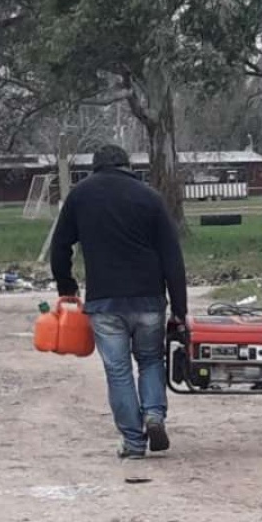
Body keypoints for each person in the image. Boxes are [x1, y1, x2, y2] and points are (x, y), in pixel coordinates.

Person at [50, 144, 188, 459]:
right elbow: (172, 257)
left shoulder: (80, 196)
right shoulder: (149, 197)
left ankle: (134, 442)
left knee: (118, 370)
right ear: (127, 166)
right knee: (152, 360)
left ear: (95, 168)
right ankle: (154, 414)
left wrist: (67, 287)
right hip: (149, 299)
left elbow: (60, 247)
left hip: (104, 301)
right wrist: (180, 309)